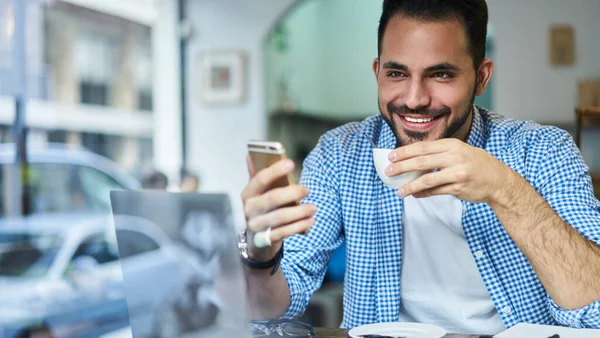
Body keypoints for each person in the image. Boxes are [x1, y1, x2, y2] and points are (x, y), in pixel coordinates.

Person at [240, 0, 600, 335]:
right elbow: (273, 311)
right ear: (377, 71)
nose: (414, 99)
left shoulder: (541, 150)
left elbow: (594, 305)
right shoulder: (340, 154)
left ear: (481, 77)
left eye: (440, 74)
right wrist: (260, 252)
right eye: (397, 74)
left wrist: (504, 189)